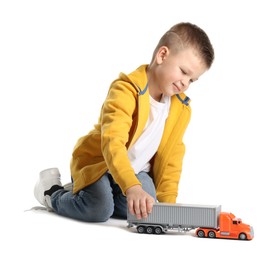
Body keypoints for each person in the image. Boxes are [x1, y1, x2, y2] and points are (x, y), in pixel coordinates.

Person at [34, 22, 214, 222]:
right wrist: (132, 187)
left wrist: (168, 206)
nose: (185, 83)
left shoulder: (180, 108)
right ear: (162, 55)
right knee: (99, 209)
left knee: (145, 212)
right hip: (101, 164)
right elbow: (113, 143)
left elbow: (172, 158)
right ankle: (53, 193)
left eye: (192, 80)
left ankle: (94, 191)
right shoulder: (125, 90)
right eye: (183, 71)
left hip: (136, 171)